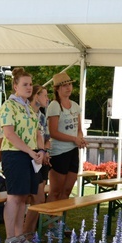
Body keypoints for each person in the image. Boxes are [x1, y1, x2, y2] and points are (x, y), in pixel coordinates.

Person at [0, 67, 45, 243]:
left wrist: (41, 151)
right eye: (25, 84)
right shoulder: (8, 106)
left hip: (29, 155)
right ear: (15, 86)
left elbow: (36, 133)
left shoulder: (28, 108)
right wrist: (29, 151)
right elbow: (9, 134)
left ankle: (19, 236)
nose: (29, 87)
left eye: (31, 84)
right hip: (14, 154)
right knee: (14, 197)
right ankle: (10, 237)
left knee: (23, 197)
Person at [46, 72, 86, 204]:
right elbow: (53, 132)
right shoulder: (54, 105)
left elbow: (79, 129)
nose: (68, 88)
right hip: (59, 152)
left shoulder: (75, 105)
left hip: (73, 151)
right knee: (55, 190)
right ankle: (49, 222)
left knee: (67, 190)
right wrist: (74, 139)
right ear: (57, 89)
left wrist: (80, 139)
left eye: (69, 84)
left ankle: (59, 222)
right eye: (64, 86)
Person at [23, 84, 51, 235]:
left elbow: (46, 139)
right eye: (45, 95)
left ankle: (29, 232)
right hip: (29, 158)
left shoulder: (41, 116)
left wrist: (45, 152)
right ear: (36, 96)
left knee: (39, 199)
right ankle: (25, 232)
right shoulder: (25, 113)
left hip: (41, 159)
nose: (47, 99)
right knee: (33, 198)